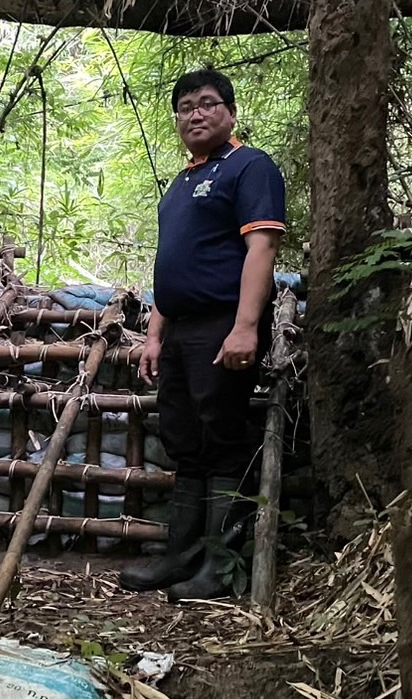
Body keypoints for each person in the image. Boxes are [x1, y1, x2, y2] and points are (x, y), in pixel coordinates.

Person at [118, 70, 285, 601]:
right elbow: (172, 266)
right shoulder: (181, 183)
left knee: (223, 439)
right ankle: (181, 555)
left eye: (208, 104)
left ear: (230, 112)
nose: (195, 114)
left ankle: (220, 563)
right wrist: (153, 335)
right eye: (185, 106)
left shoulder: (249, 167)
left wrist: (245, 326)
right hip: (180, 331)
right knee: (183, 442)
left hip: (222, 323)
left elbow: (261, 249)